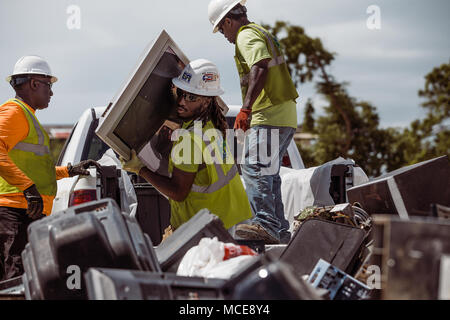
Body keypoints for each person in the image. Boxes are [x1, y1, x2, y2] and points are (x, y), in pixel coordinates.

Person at [121, 59, 252, 232]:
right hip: (230, 218)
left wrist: (140, 170)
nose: (182, 101)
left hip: (211, 228)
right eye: (181, 93)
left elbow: (178, 192)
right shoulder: (209, 124)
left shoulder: (190, 139)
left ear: (206, 102)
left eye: (191, 97)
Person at [0, 55, 100, 280]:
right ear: (34, 83)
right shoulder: (14, 112)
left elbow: (33, 170)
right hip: (15, 211)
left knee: (23, 279)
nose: (51, 92)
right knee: (14, 280)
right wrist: (28, 188)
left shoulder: (26, 116)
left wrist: (68, 171)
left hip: (24, 210)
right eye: (49, 85)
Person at [208, 0, 300, 244]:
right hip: (284, 114)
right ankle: (279, 230)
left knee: (254, 166)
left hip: (269, 113)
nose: (224, 36)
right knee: (269, 173)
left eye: (221, 30)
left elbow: (260, 66)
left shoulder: (245, 36)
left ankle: (265, 223)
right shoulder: (260, 31)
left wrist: (246, 109)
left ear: (228, 21)